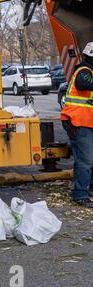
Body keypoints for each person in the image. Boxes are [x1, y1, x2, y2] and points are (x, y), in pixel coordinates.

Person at [61, 42, 93, 208]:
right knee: (85, 160)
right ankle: (80, 194)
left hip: (87, 123)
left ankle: (89, 189)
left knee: (90, 158)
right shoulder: (84, 70)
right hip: (78, 122)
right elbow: (83, 84)